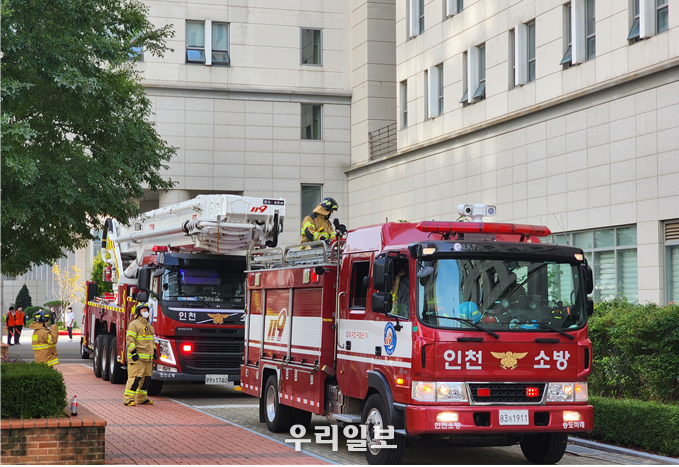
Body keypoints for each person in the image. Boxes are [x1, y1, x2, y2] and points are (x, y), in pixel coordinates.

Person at [124, 304, 157, 406]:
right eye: (143, 310)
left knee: (146, 380)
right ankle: (128, 399)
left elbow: (151, 341)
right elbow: (130, 340)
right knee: (135, 379)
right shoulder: (134, 324)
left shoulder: (149, 326)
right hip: (137, 358)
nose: (146, 312)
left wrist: (154, 351)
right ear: (139, 312)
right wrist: (133, 352)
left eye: (146, 310)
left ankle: (142, 398)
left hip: (148, 358)